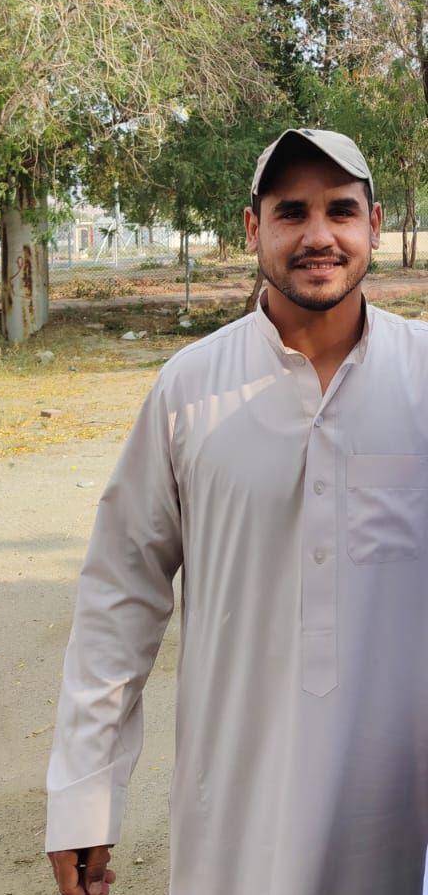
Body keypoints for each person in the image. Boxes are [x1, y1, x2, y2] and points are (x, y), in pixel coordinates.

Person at [46, 127, 428, 895]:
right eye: (291, 212)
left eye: (341, 210)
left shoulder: (423, 378)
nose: (319, 235)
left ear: (376, 225)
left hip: (399, 825)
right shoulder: (190, 389)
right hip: (234, 832)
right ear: (253, 227)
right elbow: (121, 595)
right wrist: (84, 794)